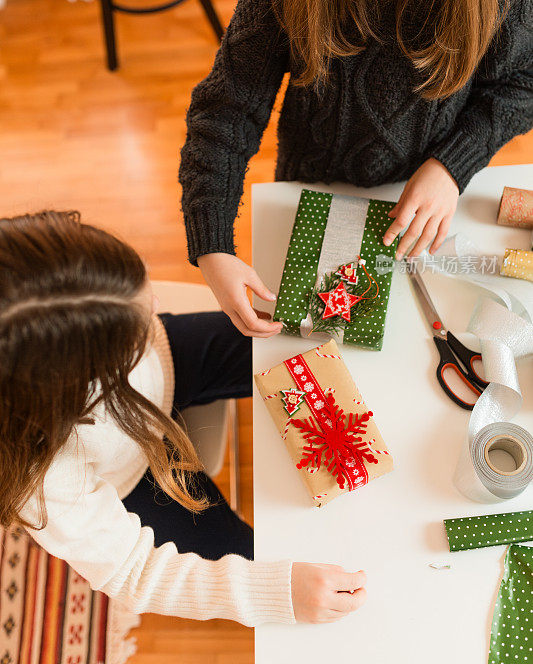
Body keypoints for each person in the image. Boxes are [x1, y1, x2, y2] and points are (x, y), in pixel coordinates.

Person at [179, 0, 532, 339]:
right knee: (315, 337)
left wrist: (451, 165)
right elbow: (227, 110)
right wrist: (213, 246)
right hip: (310, 186)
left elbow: (522, 85)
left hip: (431, 196)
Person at [0, 210, 366, 625]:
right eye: (137, 321)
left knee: (296, 347)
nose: (158, 303)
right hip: (133, 480)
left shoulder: (42, 309)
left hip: (166, 359)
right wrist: (276, 591)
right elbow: (134, 573)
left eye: (143, 290)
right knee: (264, 564)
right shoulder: (43, 481)